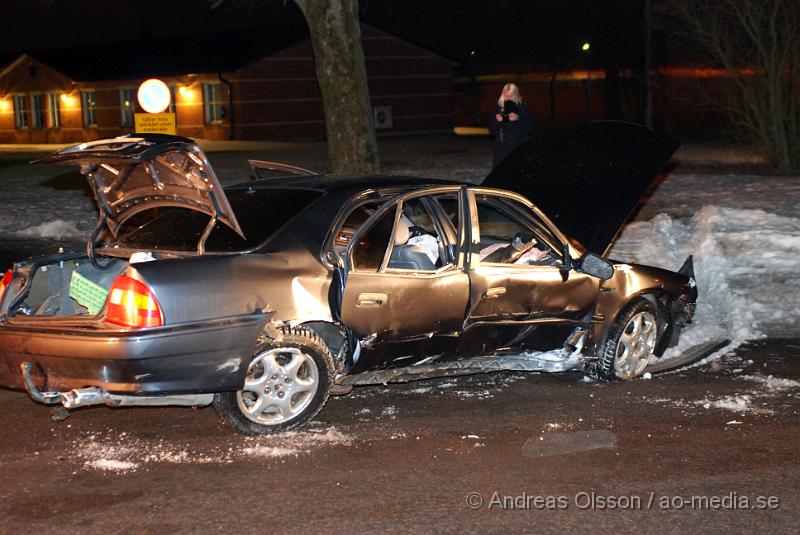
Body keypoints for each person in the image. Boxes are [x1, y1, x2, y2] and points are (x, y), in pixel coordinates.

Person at [489, 83, 534, 167]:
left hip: (519, 146)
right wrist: (498, 121)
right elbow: (491, 129)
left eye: (511, 96)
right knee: (500, 172)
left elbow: (530, 129)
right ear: (502, 95)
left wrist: (518, 119)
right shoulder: (499, 107)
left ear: (516, 95)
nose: (508, 99)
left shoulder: (523, 107)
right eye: (506, 96)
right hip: (502, 147)